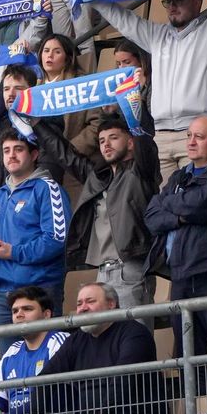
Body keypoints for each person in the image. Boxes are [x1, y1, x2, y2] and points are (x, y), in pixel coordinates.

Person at [81, 0, 207, 181]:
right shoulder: (157, 35)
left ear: (197, 2)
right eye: (167, 2)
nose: (172, 7)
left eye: (179, 0)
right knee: (165, 208)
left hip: (199, 132)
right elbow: (122, 19)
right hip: (161, 136)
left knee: (196, 203)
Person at [144, 114, 207, 378]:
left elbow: (199, 202)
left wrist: (175, 206)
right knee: (187, 352)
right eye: (189, 136)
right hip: (180, 273)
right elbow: (151, 215)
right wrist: (180, 216)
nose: (191, 142)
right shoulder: (178, 176)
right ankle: (193, 412)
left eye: (199, 136)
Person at [34, 115, 159, 309]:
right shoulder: (98, 177)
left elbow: (146, 144)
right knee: (106, 338)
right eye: (101, 140)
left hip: (131, 269)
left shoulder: (141, 171)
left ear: (131, 142)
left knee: (133, 335)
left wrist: (133, 105)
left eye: (114, 138)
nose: (106, 144)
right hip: (102, 272)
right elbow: (65, 155)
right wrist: (36, 123)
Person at [26, 283, 160, 414]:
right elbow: (45, 377)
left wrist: (105, 413)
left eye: (90, 301)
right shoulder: (77, 339)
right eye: (79, 304)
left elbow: (125, 376)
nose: (83, 308)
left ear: (111, 304)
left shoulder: (134, 333)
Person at [0, 131, 69, 354]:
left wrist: (14, 252)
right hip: (2, 295)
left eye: (18, 149)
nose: (11, 155)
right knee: (11, 367)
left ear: (34, 154)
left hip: (39, 290)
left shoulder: (48, 188)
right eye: (6, 151)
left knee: (47, 364)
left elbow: (56, 239)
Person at [0, 286, 69, 414]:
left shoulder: (59, 341)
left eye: (27, 309)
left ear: (46, 315)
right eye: (15, 311)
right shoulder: (12, 351)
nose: (19, 315)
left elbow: (60, 395)